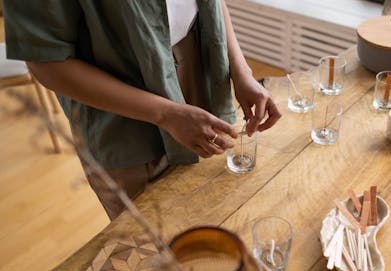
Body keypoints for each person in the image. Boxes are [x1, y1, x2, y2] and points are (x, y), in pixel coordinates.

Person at [4, 0, 281, 219]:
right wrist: (166, 113)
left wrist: (241, 71)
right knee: (155, 249)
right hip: (122, 112)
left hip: (202, 77)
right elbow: (46, 62)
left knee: (218, 213)